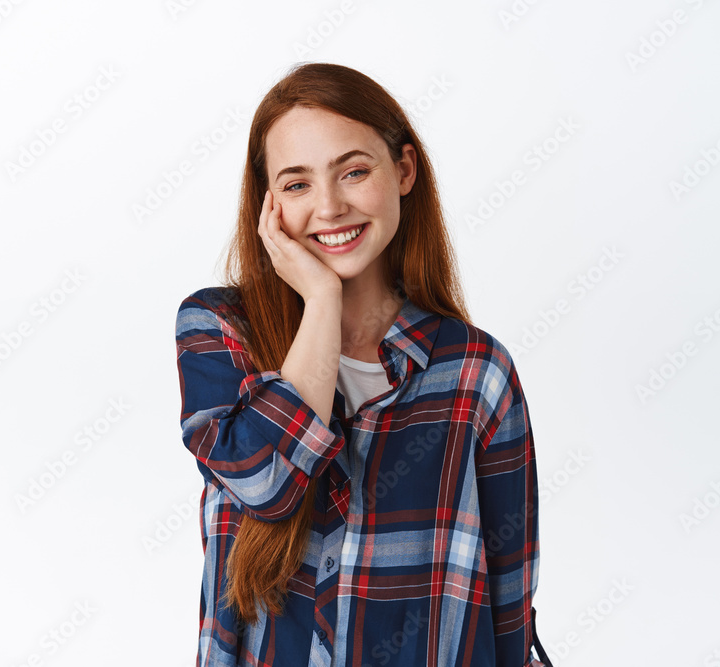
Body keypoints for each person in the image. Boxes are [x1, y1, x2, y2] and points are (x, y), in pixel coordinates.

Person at [175, 62, 551, 667]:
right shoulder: (219, 329)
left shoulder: (476, 372)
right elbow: (264, 485)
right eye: (297, 185)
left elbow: (511, 598)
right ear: (267, 202)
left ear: (402, 171)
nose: (329, 206)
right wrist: (321, 301)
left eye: (353, 171)